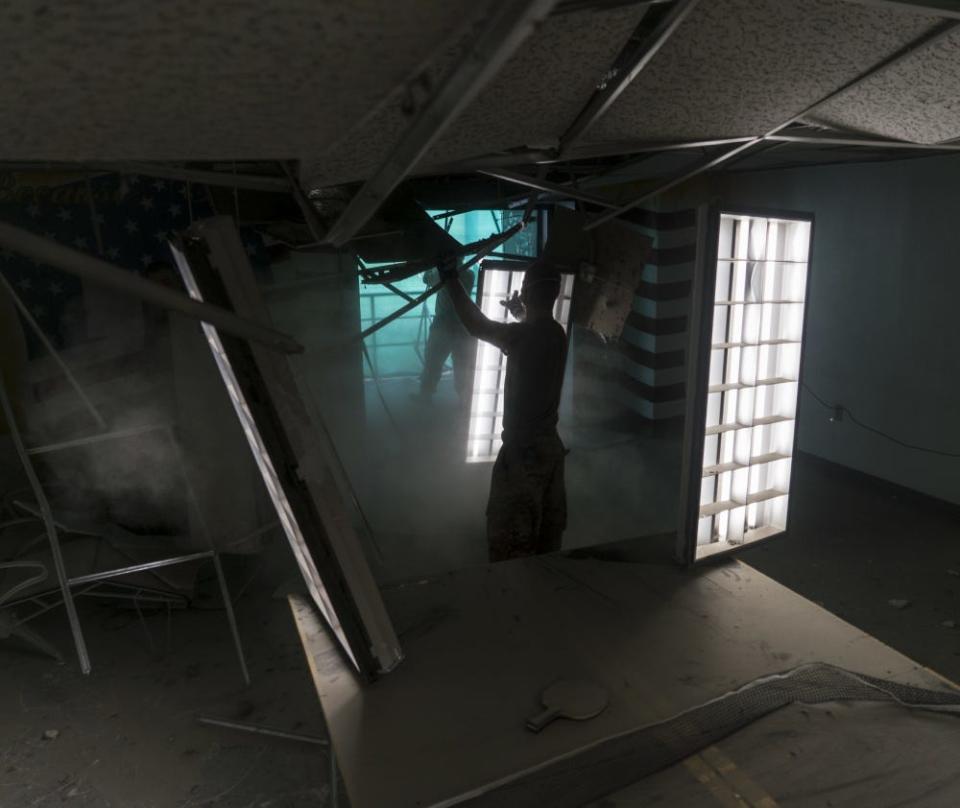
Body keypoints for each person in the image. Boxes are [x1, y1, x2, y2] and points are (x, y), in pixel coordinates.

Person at [439, 256, 568, 562]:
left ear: (526, 292)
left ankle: (517, 603)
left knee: (512, 545)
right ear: (555, 295)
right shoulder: (556, 334)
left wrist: (450, 280)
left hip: (523, 456)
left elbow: (476, 325)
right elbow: (534, 330)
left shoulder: (520, 336)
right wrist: (522, 312)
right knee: (546, 540)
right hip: (550, 452)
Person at [415, 264, 476, 407]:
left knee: (432, 361)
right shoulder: (469, 275)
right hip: (463, 325)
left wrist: (430, 267)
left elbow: (426, 279)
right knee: (462, 365)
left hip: (442, 325)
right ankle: (464, 401)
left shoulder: (440, 273)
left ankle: (426, 396)